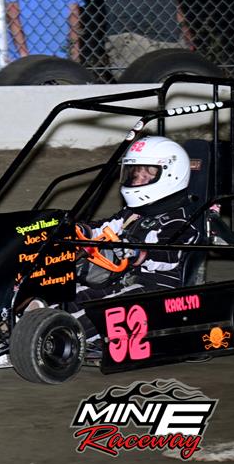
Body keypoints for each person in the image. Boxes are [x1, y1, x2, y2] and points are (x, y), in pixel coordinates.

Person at [70, 136, 200, 345]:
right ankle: (32, 323)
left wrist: (139, 254)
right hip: (121, 279)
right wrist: (80, 230)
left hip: (156, 289)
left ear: (171, 175)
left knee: (102, 311)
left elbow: (169, 256)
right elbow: (105, 228)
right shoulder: (133, 213)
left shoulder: (180, 221)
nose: (137, 179)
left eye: (146, 174)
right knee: (71, 295)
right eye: (134, 173)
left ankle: (58, 338)